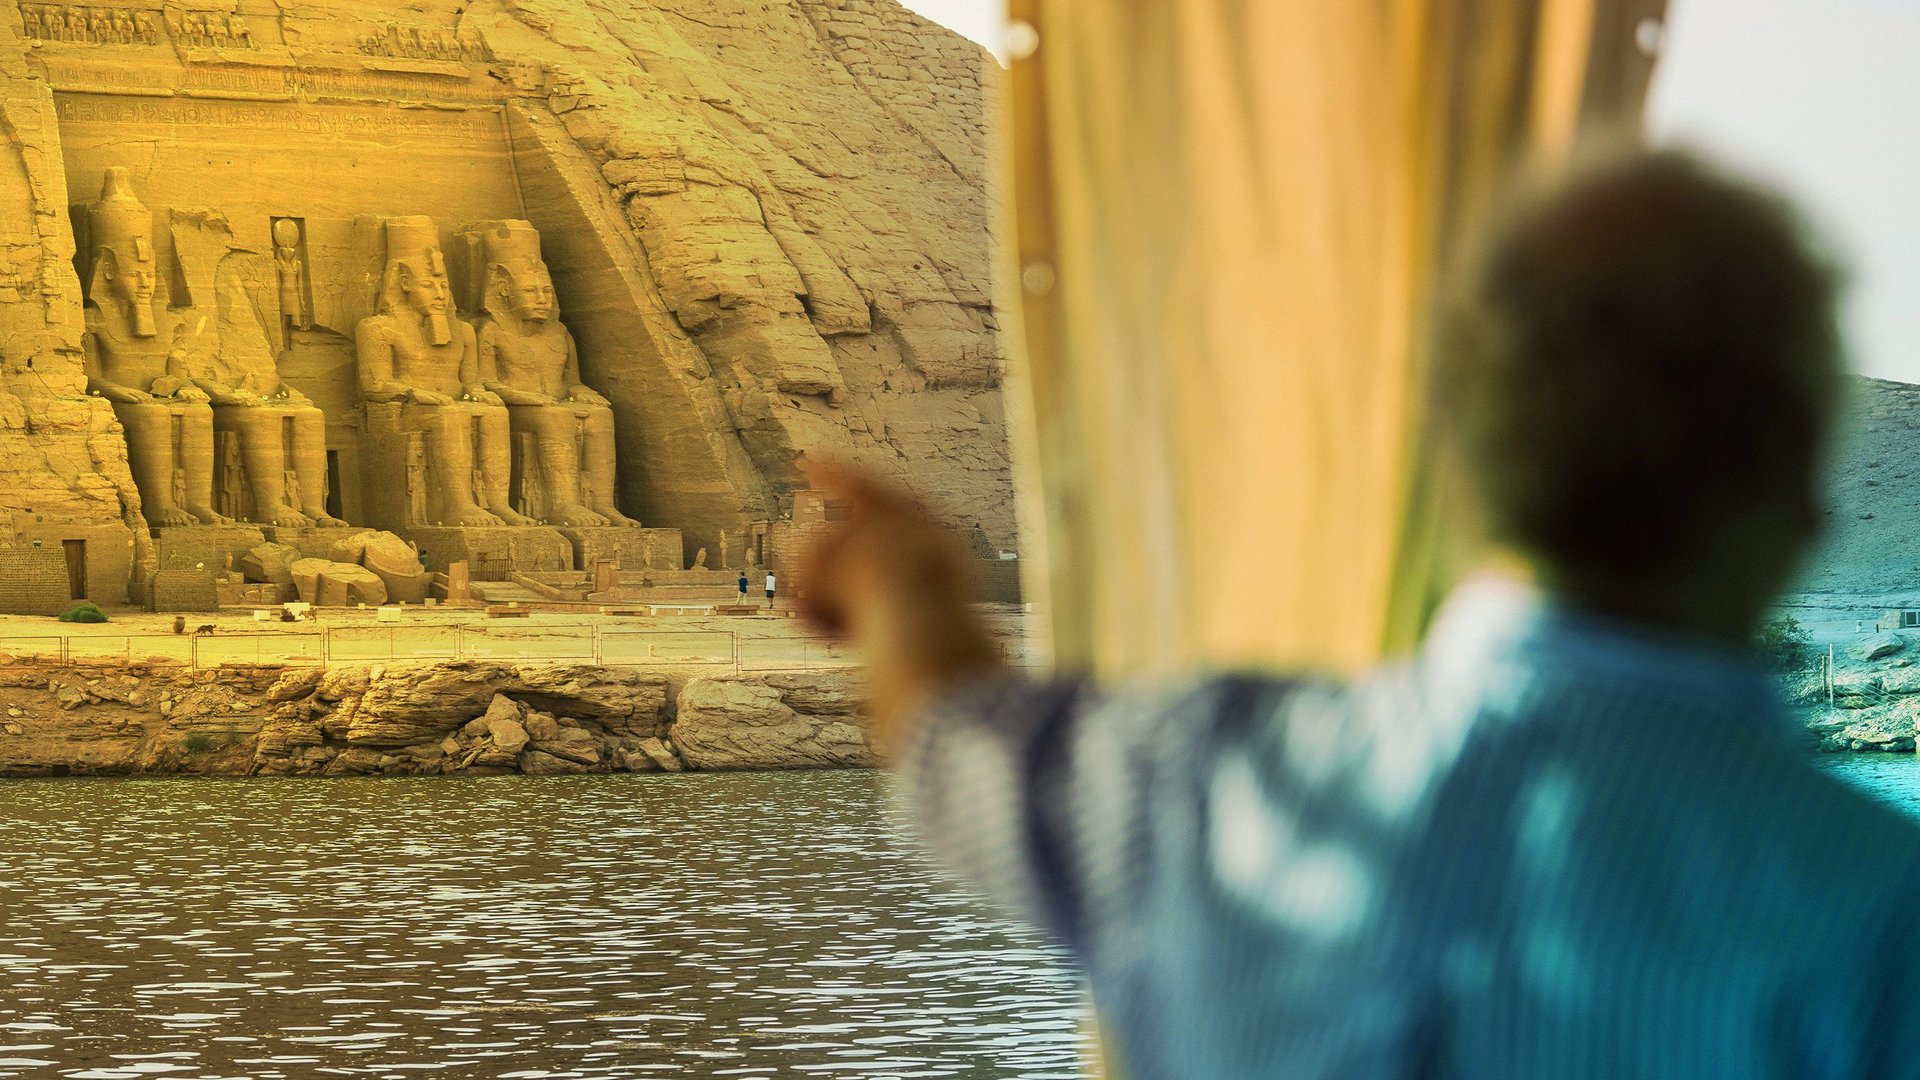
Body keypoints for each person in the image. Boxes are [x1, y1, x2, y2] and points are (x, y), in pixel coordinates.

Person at [797, 150, 1920, 1078]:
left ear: (1469, 467)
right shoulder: (1882, 924)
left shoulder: (1194, 781)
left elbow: (945, 727)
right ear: (1796, 498)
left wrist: (898, 575)